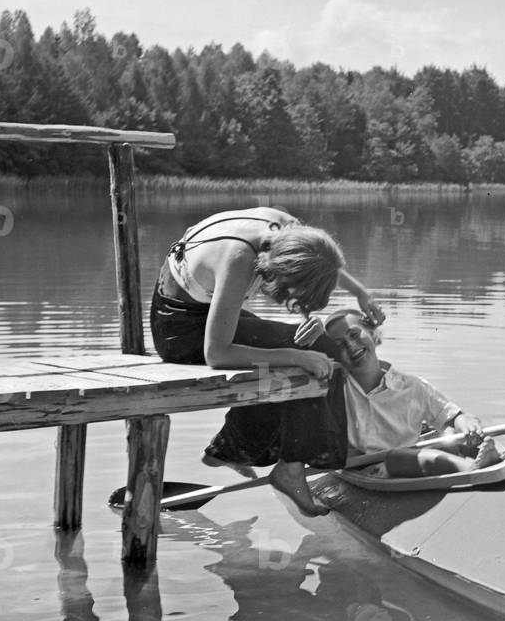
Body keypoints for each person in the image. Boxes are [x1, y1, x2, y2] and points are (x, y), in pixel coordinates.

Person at [150, 207, 384, 514]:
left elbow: (319, 262)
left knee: (321, 348)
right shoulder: (239, 259)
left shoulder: (289, 231)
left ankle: (233, 449)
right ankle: (290, 468)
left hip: (205, 309)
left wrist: (360, 292)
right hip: (179, 329)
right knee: (307, 353)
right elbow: (217, 354)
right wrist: (295, 357)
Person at [304, 308, 505, 485]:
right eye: (339, 345)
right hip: (371, 468)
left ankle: (482, 454)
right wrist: (313, 334)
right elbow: (300, 365)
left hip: (412, 455)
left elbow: (455, 415)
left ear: (374, 334)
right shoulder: (332, 387)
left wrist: (467, 424)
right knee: (399, 457)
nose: (350, 345)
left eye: (355, 334)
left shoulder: (412, 386)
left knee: (450, 433)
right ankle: (471, 468)